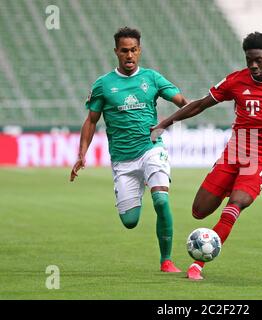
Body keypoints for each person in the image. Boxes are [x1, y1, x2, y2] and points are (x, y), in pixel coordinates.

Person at [151, 32, 262, 280]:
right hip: (236, 150)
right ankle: (232, 187)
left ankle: (198, 265)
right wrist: (166, 122)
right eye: (249, 60)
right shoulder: (236, 80)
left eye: (258, 60)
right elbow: (201, 104)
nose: (254, 65)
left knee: (236, 203)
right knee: (199, 211)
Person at [70, 27, 188, 273]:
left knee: (161, 199)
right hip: (123, 160)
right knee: (130, 221)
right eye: (124, 51)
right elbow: (91, 120)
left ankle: (166, 261)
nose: (129, 55)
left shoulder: (152, 78)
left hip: (151, 148)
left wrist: (167, 122)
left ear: (140, 50)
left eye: (134, 50)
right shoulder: (103, 85)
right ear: (116, 52)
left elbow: (183, 103)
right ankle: (139, 187)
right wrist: (82, 154)